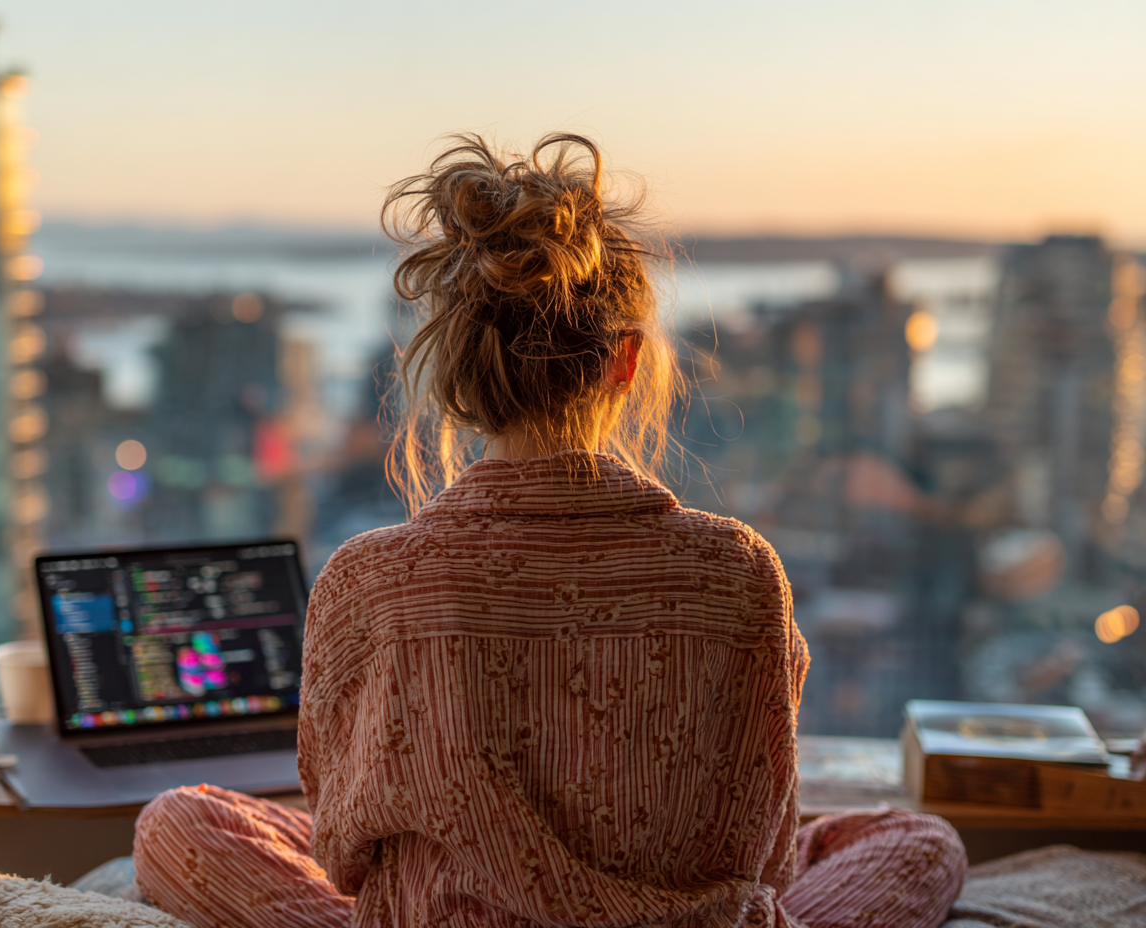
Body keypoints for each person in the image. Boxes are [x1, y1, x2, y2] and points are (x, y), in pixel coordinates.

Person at [132, 133, 966, 928]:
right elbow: (768, 856)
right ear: (627, 361)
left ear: (452, 382)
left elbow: (343, 848)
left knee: (180, 823)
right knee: (917, 842)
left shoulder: (369, 578)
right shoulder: (737, 569)